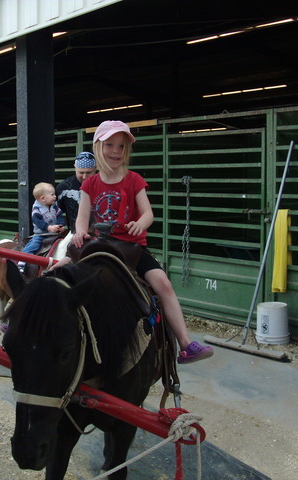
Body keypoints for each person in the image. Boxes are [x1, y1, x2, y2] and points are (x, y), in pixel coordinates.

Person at [71, 120, 213, 364]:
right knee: (58, 268)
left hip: (130, 247)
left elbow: (148, 213)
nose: (116, 151)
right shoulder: (90, 184)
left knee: (163, 285)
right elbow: (82, 218)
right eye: (110, 145)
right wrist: (79, 233)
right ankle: (26, 319)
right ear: (98, 147)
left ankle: (186, 344)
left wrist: (141, 223)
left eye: (121, 146)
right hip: (100, 245)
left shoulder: (134, 180)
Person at [18, 182, 66, 273]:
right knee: (34, 245)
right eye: (52, 194)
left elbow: (60, 216)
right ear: (43, 198)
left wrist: (60, 226)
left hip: (54, 233)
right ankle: (22, 261)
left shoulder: (54, 207)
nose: (55, 196)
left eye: (54, 194)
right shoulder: (37, 209)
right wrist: (49, 228)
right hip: (42, 234)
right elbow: (38, 222)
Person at [56, 152, 97, 232]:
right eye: (81, 173)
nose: (85, 177)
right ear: (75, 168)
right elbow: (56, 212)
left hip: (100, 235)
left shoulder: (103, 184)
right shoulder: (64, 187)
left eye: (89, 172)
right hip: (74, 234)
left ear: (95, 168)